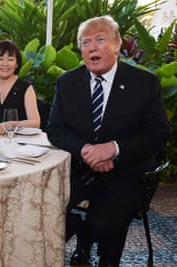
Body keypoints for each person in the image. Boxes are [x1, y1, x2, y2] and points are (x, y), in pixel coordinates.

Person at [46, 15, 171, 266]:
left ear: (117, 44)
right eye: (85, 42)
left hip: (124, 175)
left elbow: (158, 134)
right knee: (52, 220)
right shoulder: (67, 82)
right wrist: (87, 151)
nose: (92, 47)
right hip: (79, 174)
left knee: (103, 223)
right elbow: (55, 129)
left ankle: (107, 260)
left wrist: (113, 150)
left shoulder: (144, 83)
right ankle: (80, 251)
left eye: (100, 39)